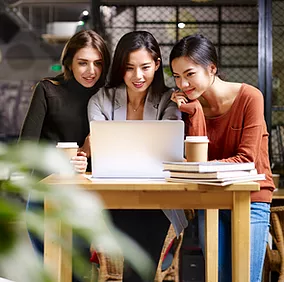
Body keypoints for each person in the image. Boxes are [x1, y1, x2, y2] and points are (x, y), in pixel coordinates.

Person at [169, 33, 275, 282]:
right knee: (218, 277)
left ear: (212, 68)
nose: (183, 84)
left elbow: (246, 161)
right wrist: (194, 113)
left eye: (190, 74)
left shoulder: (250, 97)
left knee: (246, 278)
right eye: (176, 76)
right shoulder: (191, 107)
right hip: (213, 199)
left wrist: (202, 168)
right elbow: (196, 161)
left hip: (252, 198)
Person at [88, 30, 188, 281]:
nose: (138, 76)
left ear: (156, 64)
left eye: (145, 67)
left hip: (158, 202)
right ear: (120, 67)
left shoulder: (169, 101)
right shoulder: (102, 99)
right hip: (113, 199)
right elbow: (100, 148)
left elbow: (169, 153)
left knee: (143, 243)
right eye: (129, 68)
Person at [19, 29, 111, 281]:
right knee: (51, 267)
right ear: (69, 61)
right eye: (83, 62)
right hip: (47, 192)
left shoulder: (109, 96)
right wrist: (62, 162)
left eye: (98, 63)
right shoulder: (48, 90)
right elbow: (26, 150)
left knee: (77, 270)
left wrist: (93, 149)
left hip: (89, 195)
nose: (91, 71)